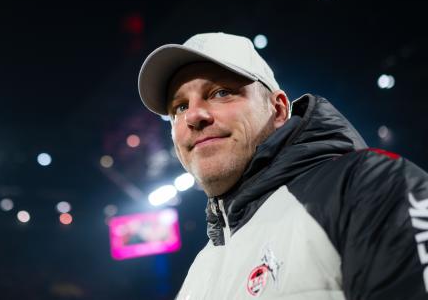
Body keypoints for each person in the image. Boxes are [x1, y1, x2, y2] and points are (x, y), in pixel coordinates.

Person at [137, 32, 428, 299]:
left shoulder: (368, 186)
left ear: (278, 109)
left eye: (220, 92)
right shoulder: (197, 275)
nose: (193, 116)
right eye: (180, 107)